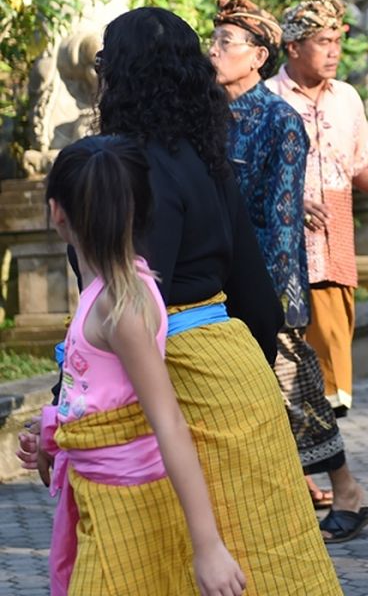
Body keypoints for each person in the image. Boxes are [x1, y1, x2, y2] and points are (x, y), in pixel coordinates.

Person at [84, 6, 342, 593]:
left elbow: (132, 303)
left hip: (160, 375)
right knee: (267, 556)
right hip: (234, 373)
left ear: (121, 75)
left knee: (150, 563)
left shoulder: (119, 168)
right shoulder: (208, 161)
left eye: (104, 63)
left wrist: (67, 399)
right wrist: (239, 366)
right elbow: (260, 301)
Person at [16, 136, 246, 596]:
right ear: (141, 209)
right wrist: (54, 443)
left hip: (127, 502)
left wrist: (208, 546)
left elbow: (169, 423)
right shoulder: (106, 292)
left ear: (56, 212)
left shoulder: (119, 306)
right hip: (102, 495)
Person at [210, 0, 368, 542]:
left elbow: (282, 220)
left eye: (225, 43)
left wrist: (280, 304)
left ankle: (345, 488)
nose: (214, 51)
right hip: (216, 285)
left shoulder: (277, 120)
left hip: (264, 288)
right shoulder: (208, 117)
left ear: (258, 55)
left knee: (298, 394)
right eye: (213, 40)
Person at [265, 0, 368, 418]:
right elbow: (242, 180)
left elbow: (359, 167)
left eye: (337, 39)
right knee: (283, 375)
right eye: (322, 40)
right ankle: (312, 474)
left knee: (333, 386)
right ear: (293, 47)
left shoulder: (347, 98)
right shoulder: (265, 101)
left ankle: (323, 468)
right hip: (281, 256)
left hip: (335, 253)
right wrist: (290, 201)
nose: (334, 50)